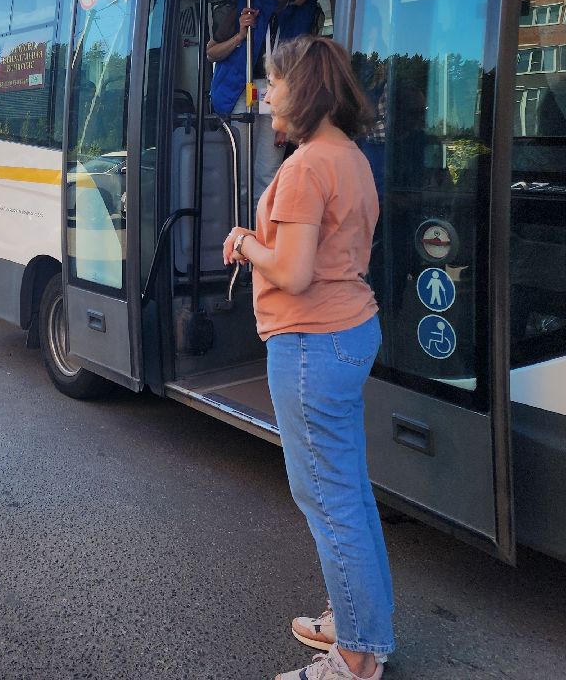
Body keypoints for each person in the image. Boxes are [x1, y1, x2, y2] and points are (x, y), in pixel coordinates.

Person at [222, 36, 394, 680]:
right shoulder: (349, 157)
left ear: (308, 91)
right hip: (349, 333)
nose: (267, 96)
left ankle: (353, 659)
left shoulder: (303, 168)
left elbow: (292, 273)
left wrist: (243, 240)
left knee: (326, 499)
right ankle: (360, 624)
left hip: (308, 344)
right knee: (348, 494)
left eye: (275, 84)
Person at [205, 0, 324, 192]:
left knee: (268, 174)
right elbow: (211, 53)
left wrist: (290, 119)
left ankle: (263, 230)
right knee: (239, 174)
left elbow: (306, 71)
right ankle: (243, 229)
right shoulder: (242, 4)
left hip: (279, 97)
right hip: (240, 92)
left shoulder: (308, 14)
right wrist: (239, 35)